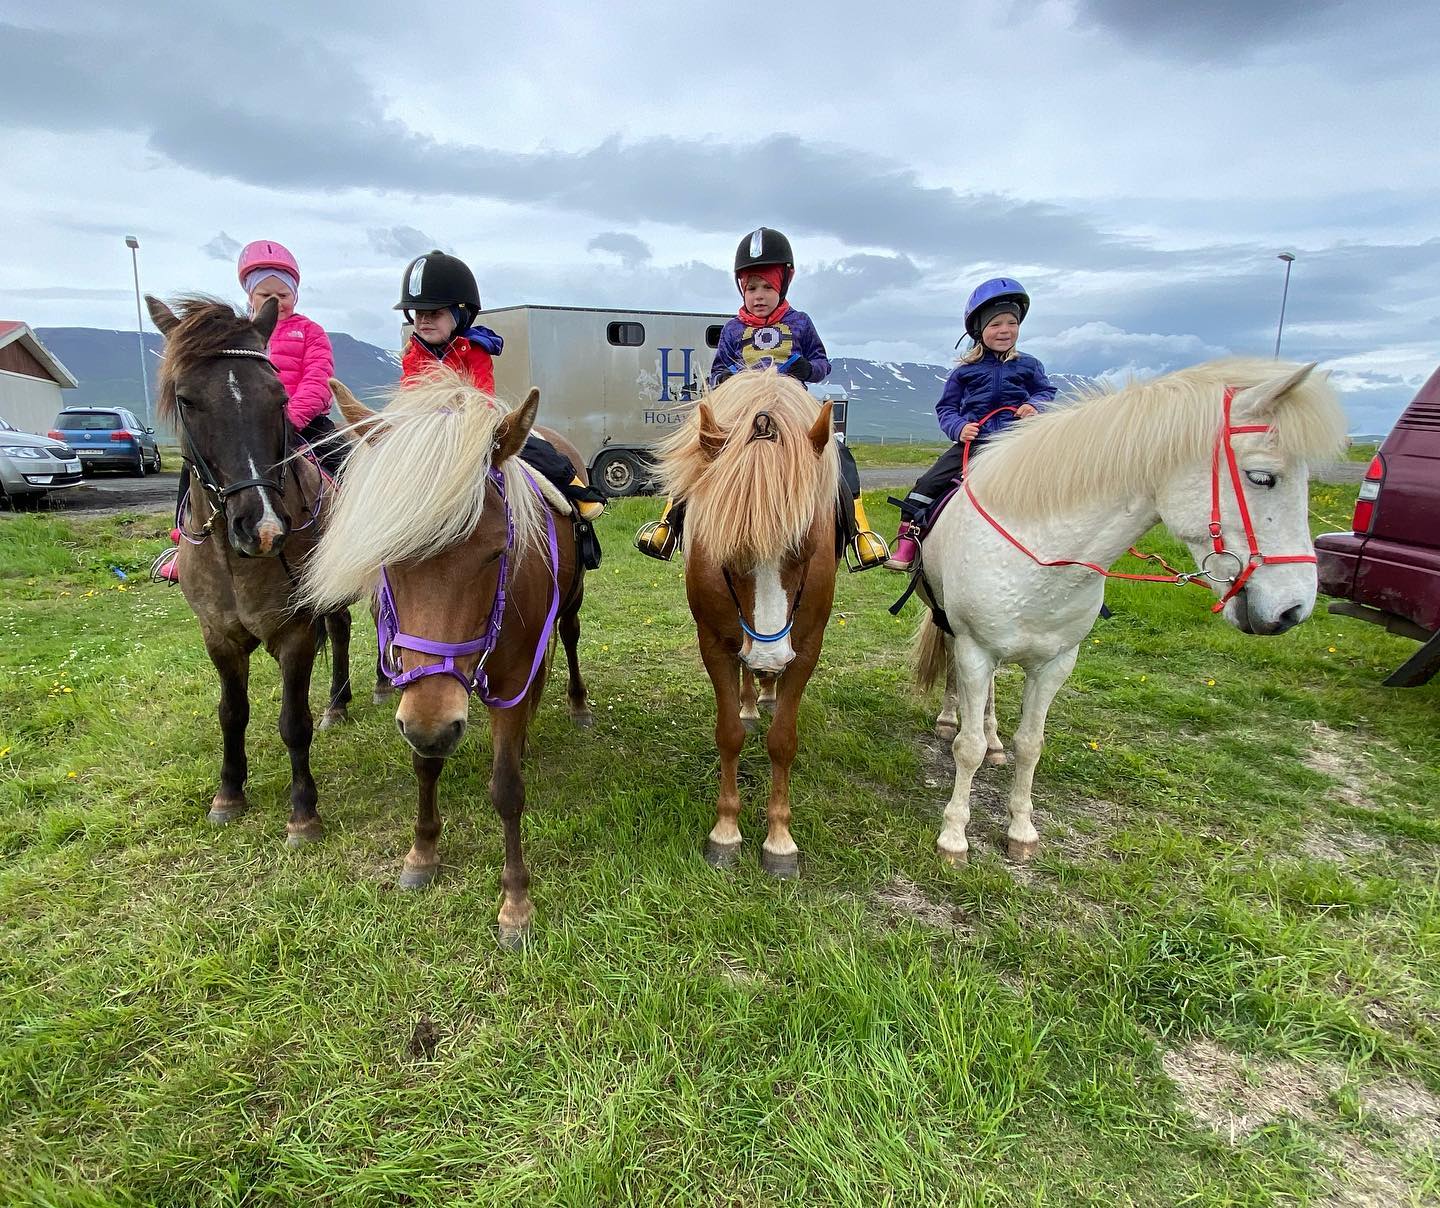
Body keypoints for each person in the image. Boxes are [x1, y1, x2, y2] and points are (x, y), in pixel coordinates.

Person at [634, 227, 888, 570]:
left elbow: (822, 365)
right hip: (741, 412)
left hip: (791, 410)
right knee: (698, 452)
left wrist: (804, 369)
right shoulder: (732, 329)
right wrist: (726, 380)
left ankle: (860, 530)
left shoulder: (800, 323)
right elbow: (717, 371)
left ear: (783, 284)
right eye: (751, 287)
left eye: (767, 287)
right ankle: (669, 522)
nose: (759, 295)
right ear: (741, 289)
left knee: (838, 454)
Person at [395, 251, 605, 564]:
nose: (423, 319)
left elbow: (482, 392)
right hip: (428, 433)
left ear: (459, 313)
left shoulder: (475, 349)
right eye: (417, 312)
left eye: (434, 312)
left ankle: (574, 488)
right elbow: (409, 392)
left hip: (473, 426)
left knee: (536, 449)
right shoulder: (413, 353)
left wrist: (459, 417)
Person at [154, 240, 339, 582]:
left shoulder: (309, 332)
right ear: (250, 297)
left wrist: (290, 419)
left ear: (295, 296)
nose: (276, 302)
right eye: (266, 294)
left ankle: (350, 540)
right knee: (193, 466)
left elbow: (319, 377)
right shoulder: (237, 338)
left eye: (283, 295)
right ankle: (183, 541)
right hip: (251, 427)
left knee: (347, 462)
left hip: (304, 423)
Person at [885, 277, 1054, 572]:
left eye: (1011, 323)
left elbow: (1046, 392)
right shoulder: (965, 372)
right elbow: (946, 408)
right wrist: (960, 428)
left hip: (1019, 443)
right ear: (979, 330)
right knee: (926, 486)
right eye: (995, 324)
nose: (1004, 330)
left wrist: (1034, 406)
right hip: (974, 445)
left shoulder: (1030, 365)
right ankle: (907, 543)